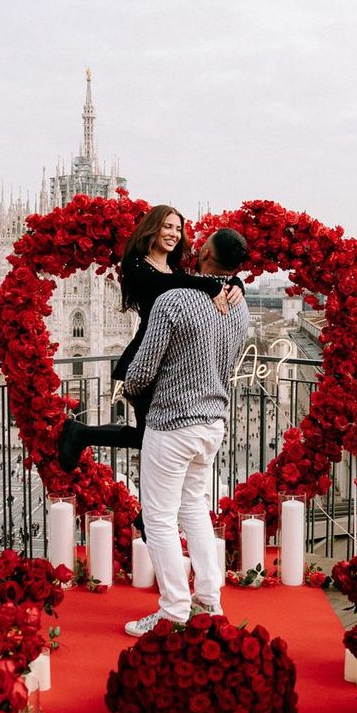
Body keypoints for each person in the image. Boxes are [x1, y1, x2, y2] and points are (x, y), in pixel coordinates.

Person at [120, 228, 250, 637]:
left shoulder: (174, 300)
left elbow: (141, 370)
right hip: (212, 423)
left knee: (158, 517)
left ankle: (174, 610)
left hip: (173, 423)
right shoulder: (240, 307)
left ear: (206, 252)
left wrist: (131, 388)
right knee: (194, 508)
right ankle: (209, 600)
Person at [57, 205, 242, 470]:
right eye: (167, 226)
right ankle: (81, 435)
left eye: (178, 229)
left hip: (166, 360)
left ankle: (82, 434)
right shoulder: (136, 265)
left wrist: (235, 284)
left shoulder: (174, 270)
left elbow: (192, 283)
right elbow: (162, 286)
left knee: (151, 436)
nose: (174, 233)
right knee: (152, 437)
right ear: (152, 229)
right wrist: (210, 285)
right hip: (145, 357)